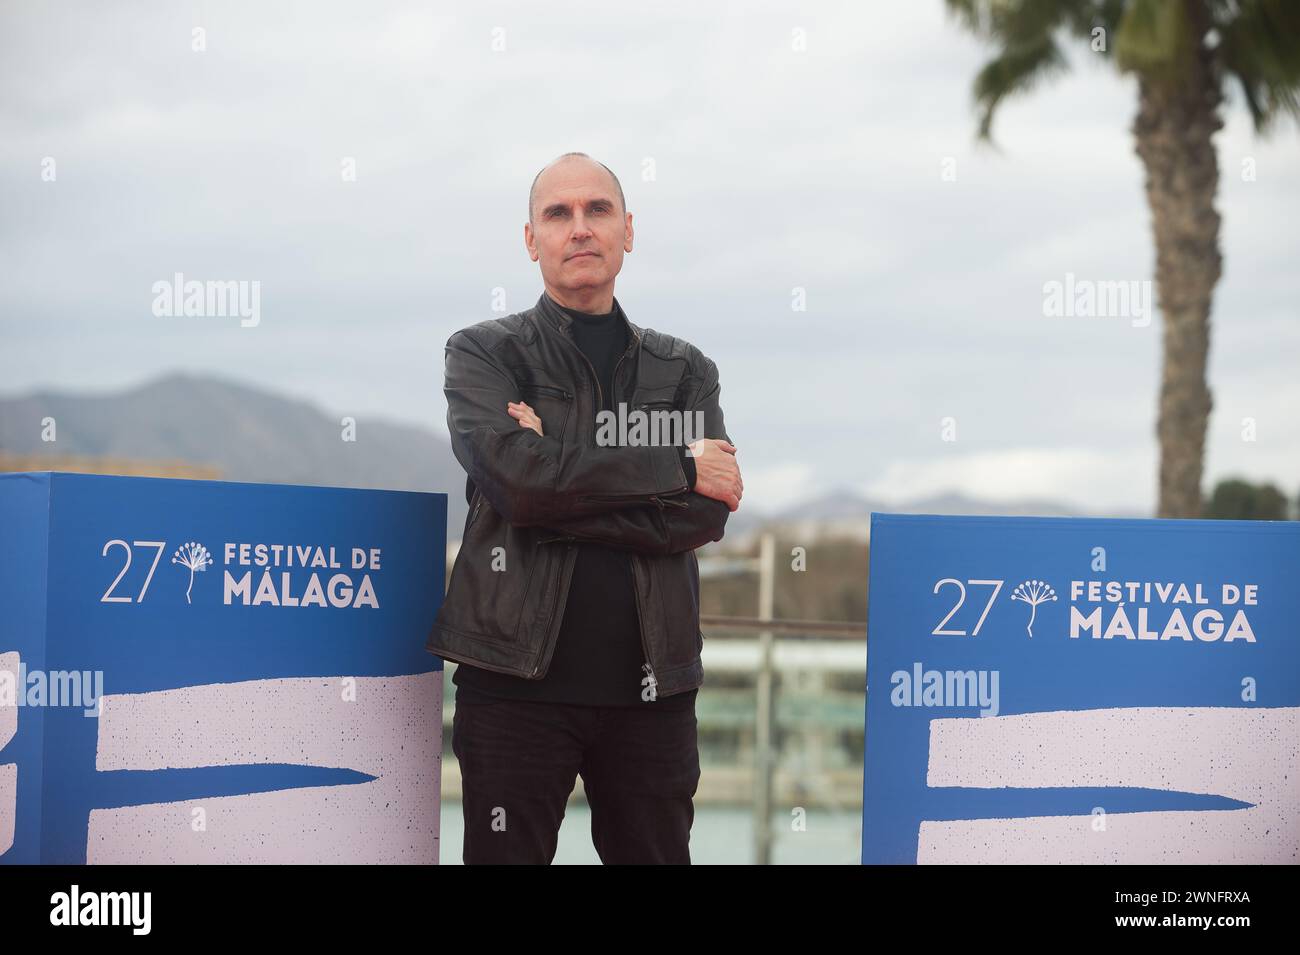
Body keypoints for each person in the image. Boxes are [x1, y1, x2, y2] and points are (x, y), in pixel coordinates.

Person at [427, 152, 743, 864]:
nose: (580, 228)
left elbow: (702, 515)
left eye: (597, 210)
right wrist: (674, 466)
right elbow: (516, 482)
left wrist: (552, 479)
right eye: (558, 213)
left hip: (653, 695)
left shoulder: (682, 371)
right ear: (531, 239)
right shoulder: (484, 354)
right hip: (513, 687)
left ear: (628, 230)